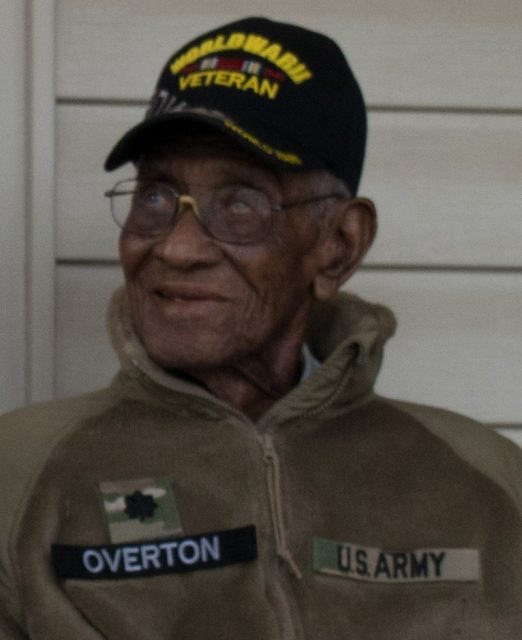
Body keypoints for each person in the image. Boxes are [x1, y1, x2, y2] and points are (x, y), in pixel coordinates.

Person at [0, 16, 520, 639]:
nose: (177, 248)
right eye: (157, 197)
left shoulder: (486, 483)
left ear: (337, 246)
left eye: (240, 203)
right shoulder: (19, 474)